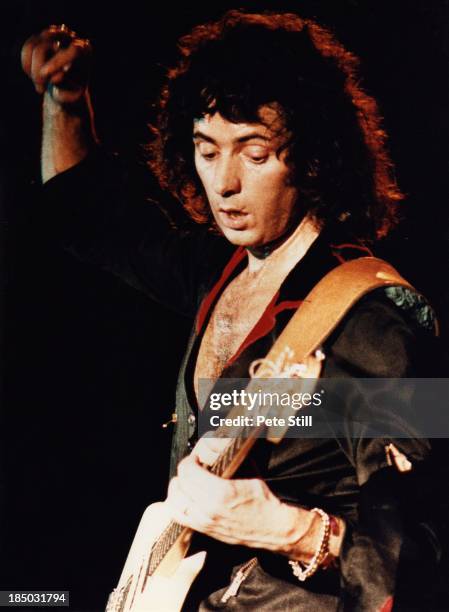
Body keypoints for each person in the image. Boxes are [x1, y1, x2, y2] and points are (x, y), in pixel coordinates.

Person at [21, 10, 445, 610]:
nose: (224, 184)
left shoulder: (372, 320)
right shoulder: (214, 270)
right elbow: (84, 211)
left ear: (313, 157)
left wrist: (291, 531)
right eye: (207, 150)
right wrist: (65, 100)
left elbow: (427, 553)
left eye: (255, 152)